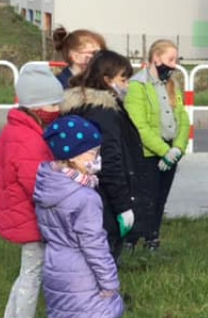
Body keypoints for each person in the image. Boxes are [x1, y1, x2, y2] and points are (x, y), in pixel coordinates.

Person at [34, 115, 124, 318]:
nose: (97, 158)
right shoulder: (85, 198)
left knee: (70, 315)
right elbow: (94, 244)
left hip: (56, 260)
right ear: (73, 157)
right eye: (92, 153)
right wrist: (109, 281)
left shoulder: (50, 183)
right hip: (78, 269)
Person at [0, 64, 63, 318]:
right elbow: (38, 184)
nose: (57, 109)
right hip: (31, 217)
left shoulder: (19, 129)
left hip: (21, 213)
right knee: (32, 276)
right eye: (52, 104)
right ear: (35, 105)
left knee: (27, 271)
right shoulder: (29, 139)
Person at [60, 50, 146, 260]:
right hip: (103, 198)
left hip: (81, 194)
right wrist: (123, 206)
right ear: (107, 80)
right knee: (104, 257)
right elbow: (110, 161)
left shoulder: (80, 107)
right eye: (123, 80)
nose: (127, 85)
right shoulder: (103, 112)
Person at [124, 39, 189, 252]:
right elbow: (139, 126)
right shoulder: (137, 86)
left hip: (170, 149)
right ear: (156, 58)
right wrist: (164, 151)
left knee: (161, 197)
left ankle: (152, 238)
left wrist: (177, 148)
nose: (174, 65)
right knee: (144, 198)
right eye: (170, 59)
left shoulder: (172, 84)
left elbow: (182, 118)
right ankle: (131, 241)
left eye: (176, 60)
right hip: (147, 153)